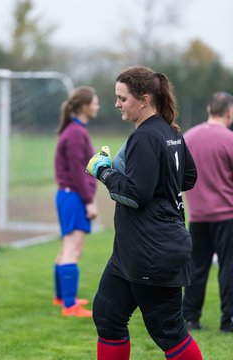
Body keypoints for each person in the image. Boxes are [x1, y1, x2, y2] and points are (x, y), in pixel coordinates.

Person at [86, 66, 203, 360]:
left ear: (144, 99)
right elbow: (186, 178)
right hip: (132, 250)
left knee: (169, 331)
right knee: (108, 316)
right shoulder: (170, 130)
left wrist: (103, 171)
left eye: (122, 98)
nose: (117, 104)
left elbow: (135, 194)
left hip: (152, 251)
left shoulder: (146, 136)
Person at [183, 92, 233, 332]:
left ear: (208, 108)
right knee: (229, 268)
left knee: (195, 269)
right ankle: (229, 320)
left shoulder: (188, 137)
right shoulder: (229, 139)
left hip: (198, 216)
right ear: (229, 112)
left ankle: (190, 318)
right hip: (227, 216)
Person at [53, 86, 99, 317]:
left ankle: (61, 297)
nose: (98, 106)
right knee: (73, 248)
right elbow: (78, 171)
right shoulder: (75, 133)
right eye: (95, 102)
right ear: (84, 106)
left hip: (69, 195)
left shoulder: (75, 131)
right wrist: (89, 200)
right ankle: (70, 306)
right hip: (73, 196)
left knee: (67, 247)